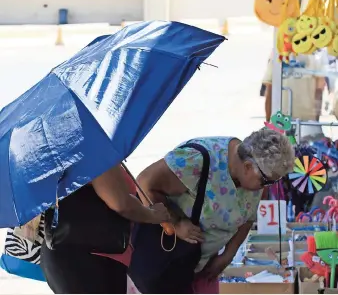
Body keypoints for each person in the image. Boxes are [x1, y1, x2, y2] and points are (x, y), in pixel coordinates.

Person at [131, 129, 295, 293]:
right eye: (267, 181)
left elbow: (248, 217)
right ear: (247, 166)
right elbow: (145, 184)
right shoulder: (197, 160)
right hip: (168, 264)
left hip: (201, 269)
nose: (267, 187)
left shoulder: (256, 176)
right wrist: (175, 223)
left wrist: (228, 255)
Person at [40, 165, 170, 294]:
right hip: (87, 259)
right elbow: (121, 203)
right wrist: (152, 214)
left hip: (76, 254)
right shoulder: (91, 149)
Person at [263, 51, 326, 141]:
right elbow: (319, 90)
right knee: (309, 153)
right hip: (305, 122)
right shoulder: (314, 53)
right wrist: (315, 120)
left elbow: (269, 91)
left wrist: (269, 121)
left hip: (282, 121)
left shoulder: (277, 54)